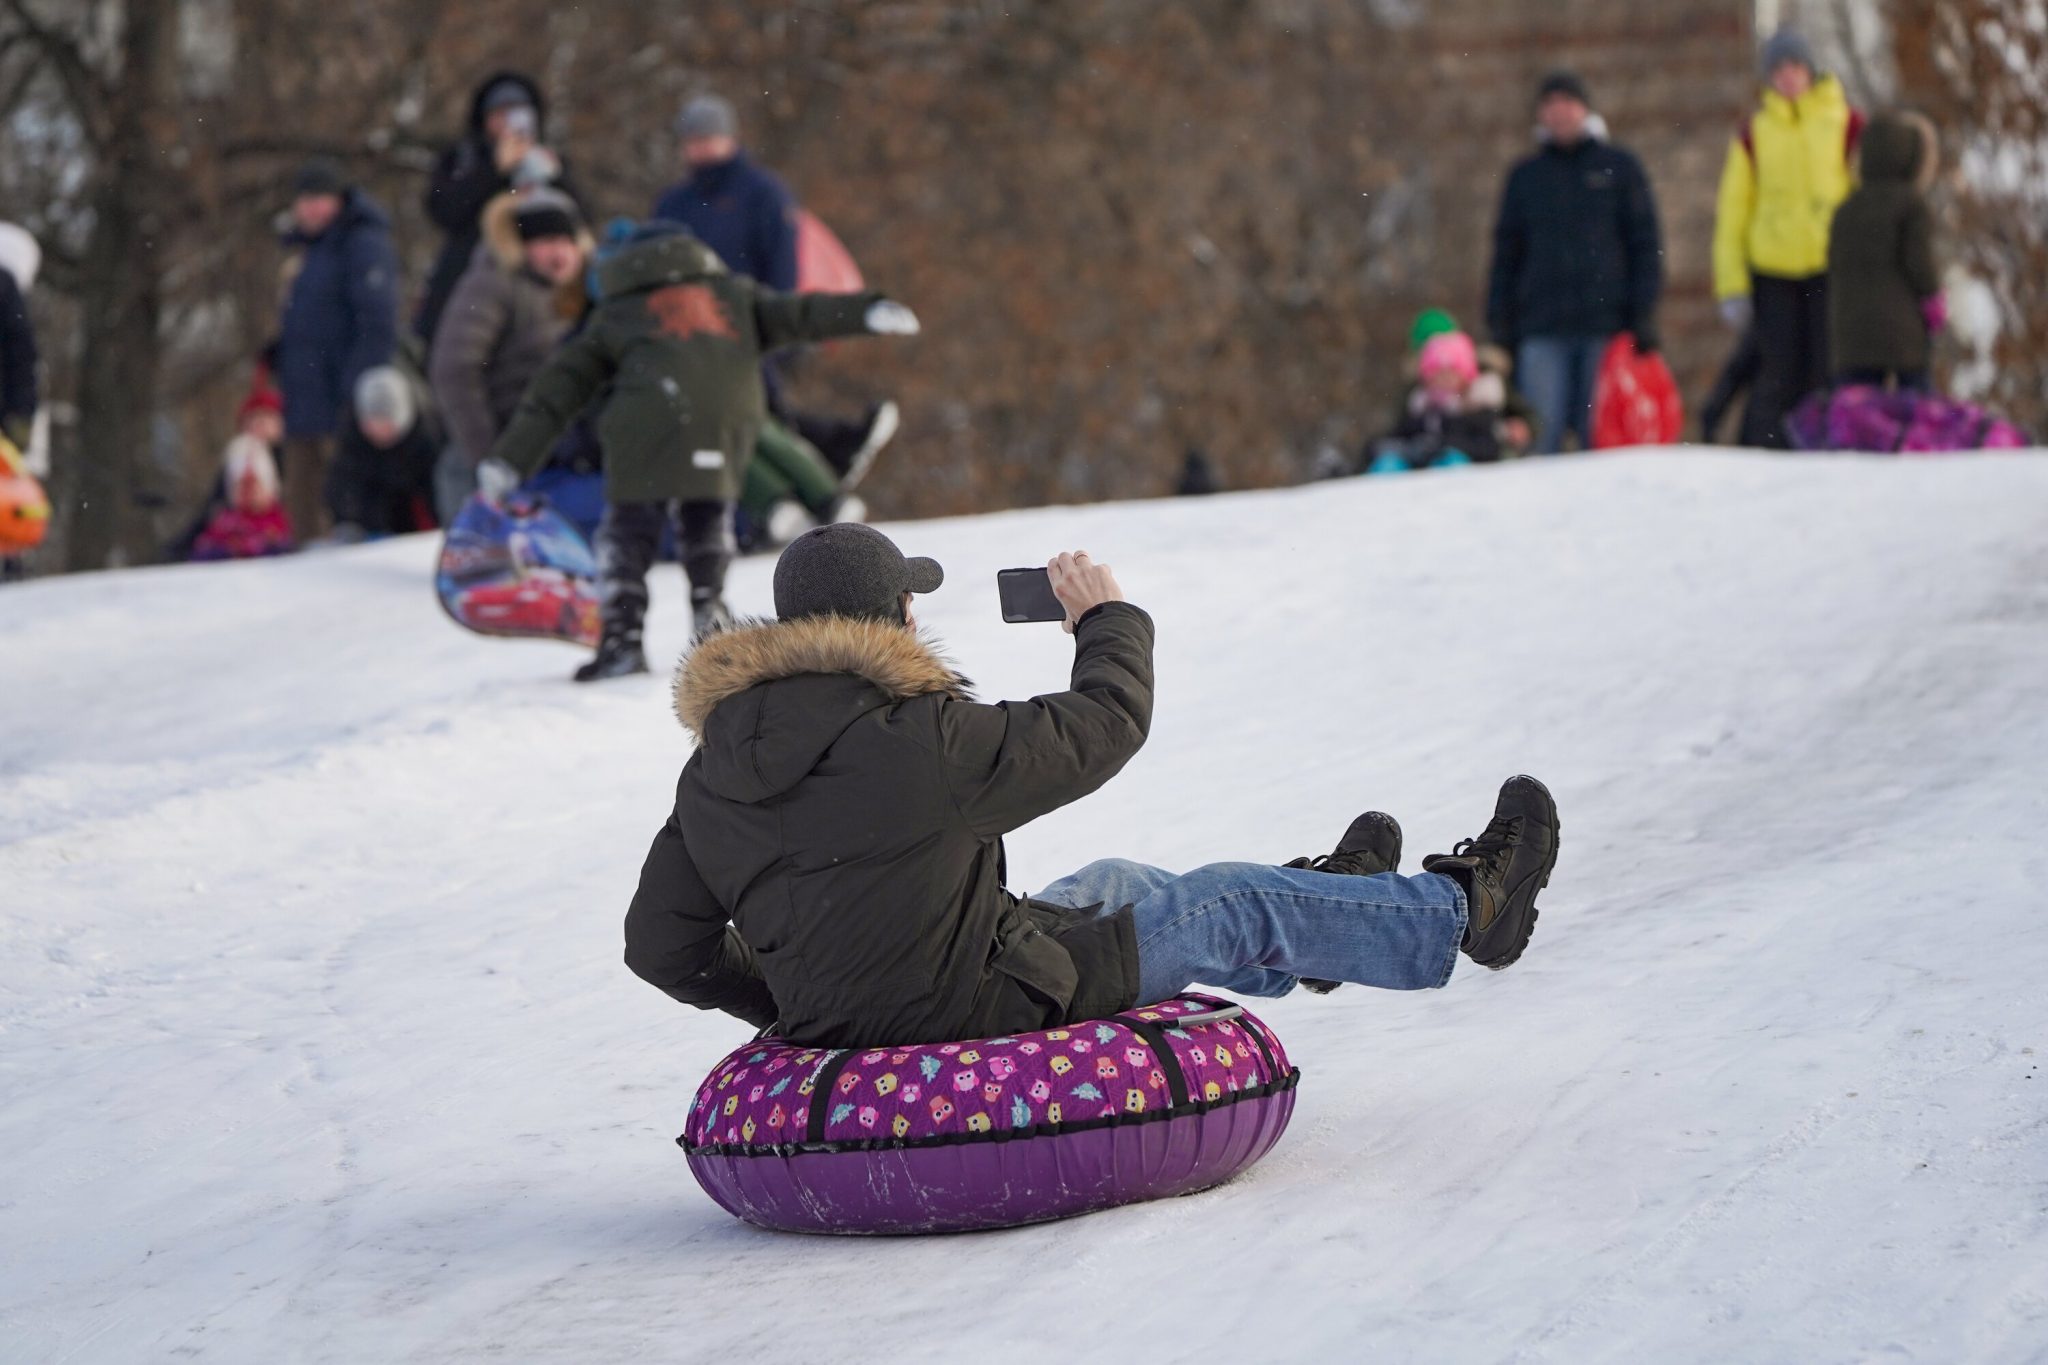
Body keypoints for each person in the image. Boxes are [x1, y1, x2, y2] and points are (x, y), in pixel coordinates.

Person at [621, 526, 1562, 1048]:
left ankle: (1336, 914)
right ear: (896, 616)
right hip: (973, 1009)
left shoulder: (712, 769)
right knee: (1225, 904)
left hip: (882, 1001)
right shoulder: (918, 738)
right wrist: (1104, 617)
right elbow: (1107, 725)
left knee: (1112, 880)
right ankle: (1466, 911)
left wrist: (798, 1001)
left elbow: (661, 947)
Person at [484, 223, 921, 681]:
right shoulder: (734, 298)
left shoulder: (618, 311)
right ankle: (709, 617)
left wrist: (511, 459)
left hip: (647, 426)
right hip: (725, 421)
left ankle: (622, 640)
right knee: (706, 523)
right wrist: (869, 310)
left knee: (628, 534)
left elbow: (559, 389)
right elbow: (803, 312)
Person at [652, 96, 898, 493]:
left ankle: (829, 461)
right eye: (693, 139)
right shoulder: (674, 201)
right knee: (750, 415)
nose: (700, 147)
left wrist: (780, 327)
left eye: (709, 137)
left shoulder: (761, 192)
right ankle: (837, 448)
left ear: (729, 138)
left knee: (759, 412)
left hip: (752, 318)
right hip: (693, 329)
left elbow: (784, 266)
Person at [1485, 71, 1663, 455]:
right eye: (1550, 104)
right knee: (1540, 437)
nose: (1559, 112)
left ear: (1585, 108)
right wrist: (1500, 324)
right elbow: (1505, 255)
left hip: (1606, 329)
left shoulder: (1619, 167)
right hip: (1541, 330)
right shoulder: (1525, 177)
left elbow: (1645, 246)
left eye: (1567, 103)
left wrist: (1643, 314)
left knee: (1602, 439)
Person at [1713, 29, 1864, 448]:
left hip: (1829, 269)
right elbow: (1732, 215)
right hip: (1773, 271)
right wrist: (1732, 287)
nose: (1788, 78)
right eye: (1778, 70)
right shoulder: (1753, 133)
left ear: (1810, 70)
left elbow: (1861, 197)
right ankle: (1770, 456)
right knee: (1777, 372)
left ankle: (1827, 446)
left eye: (1795, 67)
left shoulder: (1845, 122)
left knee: (1826, 368)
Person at [429, 187, 591, 520]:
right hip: (501, 440)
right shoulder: (492, 285)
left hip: (567, 450)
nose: (558, 253)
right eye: (546, 242)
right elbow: (455, 368)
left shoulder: (587, 289)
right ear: (521, 245)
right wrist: (493, 456)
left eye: (566, 242)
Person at [273, 158, 399, 538]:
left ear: (339, 201)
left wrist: (356, 391)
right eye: (304, 199)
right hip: (303, 400)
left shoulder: (362, 243)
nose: (311, 208)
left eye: (320, 199)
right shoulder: (310, 251)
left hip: (341, 402)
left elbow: (378, 322)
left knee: (342, 509)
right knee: (303, 510)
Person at [416, 72, 577, 348]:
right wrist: (493, 171)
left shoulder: (548, 160)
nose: (508, 123)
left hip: (539, 283)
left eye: (517, 114)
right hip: (472, 275)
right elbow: (443, 210)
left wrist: (553, 177)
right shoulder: (462, 158)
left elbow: (577, 218)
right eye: (500, 114)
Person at [1827, 111, 1943, 393]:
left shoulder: (1845, 209)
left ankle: (1852, 435)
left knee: (1857, 408)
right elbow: (1919, 262)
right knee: (1916, 403)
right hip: (1902, 332)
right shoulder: (1911, 206)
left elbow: (1835, 265)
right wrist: (1933, 298)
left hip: (1851, 332)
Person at [1365, 331, 1508, 473]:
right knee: (1388, 463)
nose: (1443, 380)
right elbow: (1397, 435)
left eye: (1450, 373)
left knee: (1452, 462)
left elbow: (1490, 447)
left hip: (1466, 471)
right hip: (1417, 472)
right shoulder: (1420, 410)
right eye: (1437, 374)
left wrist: (1447, 445)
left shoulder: (1476, 409)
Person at [329, 366, 441, 538]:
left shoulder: (428, 432)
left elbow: (434, 489)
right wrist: (350, 522)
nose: (378, 432)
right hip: (375, 512)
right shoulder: (351, 435)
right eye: (371, 424)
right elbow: (343, 484)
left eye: (385, 424)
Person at [190, 435, 294, 561]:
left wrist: (254, 547)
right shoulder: (225, 521)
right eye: (241, 486)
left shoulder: (275, 520)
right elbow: (202, 552)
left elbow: (283, 550)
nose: (248, 494)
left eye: (254, 486)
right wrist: (228, 550)